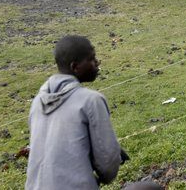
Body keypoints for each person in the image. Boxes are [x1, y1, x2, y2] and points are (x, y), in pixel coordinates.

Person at [25, 35, 122, 190]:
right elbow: (108, 163)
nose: (96, 63)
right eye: (91, 59)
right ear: (75, 67)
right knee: (147, 187)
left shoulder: (37, 102)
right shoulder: (90, 100)